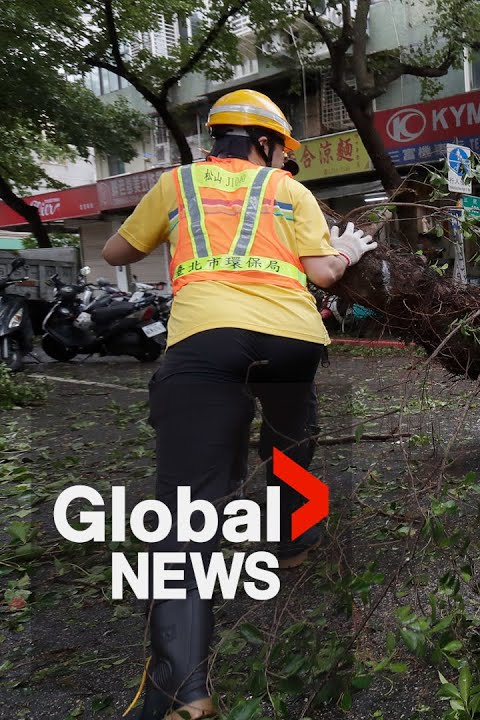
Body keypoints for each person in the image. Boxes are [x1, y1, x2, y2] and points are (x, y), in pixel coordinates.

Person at [102, 89, 378, 720]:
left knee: (186, 512)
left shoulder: (177, 184)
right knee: (291, 440)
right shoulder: (292, 193)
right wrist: (348, 250)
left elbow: (117, 251)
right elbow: (326, 273)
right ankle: (293, 538)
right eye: (283, 150)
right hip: (294, 340)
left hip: (207, 341)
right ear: (263, 143)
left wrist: (176, 245)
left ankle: (182, 692)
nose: (285, 161)